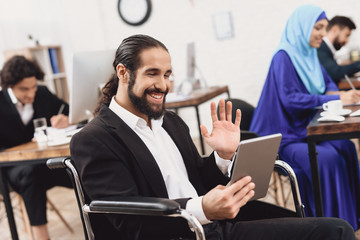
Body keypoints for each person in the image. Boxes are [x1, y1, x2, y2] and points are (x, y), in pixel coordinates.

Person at [70, 34, 356, 240]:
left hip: (213, 223)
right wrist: (202, 208)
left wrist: (223, 156)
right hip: (184, 232)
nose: (163, 85)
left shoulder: (170, 122)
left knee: (315, 225)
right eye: (152, 74)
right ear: (123, 73)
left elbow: (198, 180)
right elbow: (131, 223)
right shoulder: (94, 139)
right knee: (336, 232)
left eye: (168, 74)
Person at [250, 5, 360, 231]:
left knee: (347, 147)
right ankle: (331, 228)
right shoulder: (283, 57)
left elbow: (328, 87)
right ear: (302, 27)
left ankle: (352, 220)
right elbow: (291, 99)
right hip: (284, 136)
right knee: (327, 159)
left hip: (305, 129)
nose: (322, 33)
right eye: (317, 28)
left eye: (324, 28)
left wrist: (343, 95)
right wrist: (334, 98)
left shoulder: (310, 54)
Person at [0, 55, 72, 240]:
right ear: (9, 86)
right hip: (10, 170)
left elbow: (68, 110)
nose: (31, 93)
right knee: (31, 174)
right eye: (24, 89)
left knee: (77, 168)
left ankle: (97, 219)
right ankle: (42, 237)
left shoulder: (42, 93)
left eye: (33, 87)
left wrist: (66, 119)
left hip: (42, 163)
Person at [317, 16, 360, 84]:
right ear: (335, 29)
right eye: (346, 35)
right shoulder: (320, 47)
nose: (347, 40)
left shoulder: (327, 49)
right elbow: (334, 72)